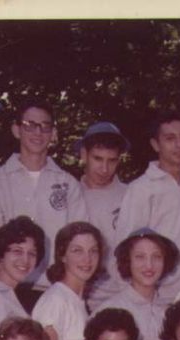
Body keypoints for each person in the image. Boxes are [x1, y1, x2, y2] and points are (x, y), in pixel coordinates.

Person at [0, 96, 88, 294]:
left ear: (53, 133)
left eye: (44, 126)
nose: (38, 132)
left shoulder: (68, 184)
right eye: (29, 125)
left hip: (54, 289)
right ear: (16, 130)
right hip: (6, 289)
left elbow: (79, 242)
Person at [115, 109, 180, 302]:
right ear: (156, 144)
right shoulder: (141, 188)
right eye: (170, 138)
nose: (179, 145)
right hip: (159, 296)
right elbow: (126, 249)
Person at [99, 226, 180, 340]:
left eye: (156, 257)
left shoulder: (170, 312)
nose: (149, 265)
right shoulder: (112, 310)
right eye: (140, 257)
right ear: (128, 261)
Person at [31, 221, 103, 340]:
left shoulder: (77, 300)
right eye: (77, 251)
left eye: (93, 251)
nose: (87, 259)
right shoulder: (56, 300)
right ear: (62, 255)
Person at [74, 122, 131, 308]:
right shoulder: (71, 194)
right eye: (98, 159)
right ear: (83, 155)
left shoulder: (131, 195)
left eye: (112, 160)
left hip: (122, 297)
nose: (105, 168)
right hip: (79, 298)